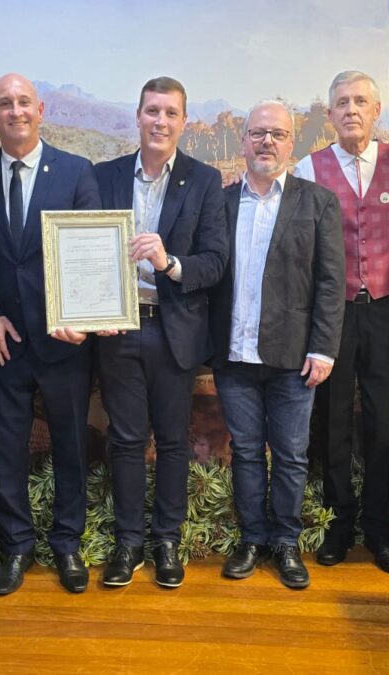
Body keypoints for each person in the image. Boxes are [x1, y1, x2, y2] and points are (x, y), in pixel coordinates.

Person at [0, 73, 101, 596]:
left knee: (70, 445)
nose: (15, 111)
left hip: (64, 342)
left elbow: (90, 253)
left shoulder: (75, 171)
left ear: (41, 109)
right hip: (4, 341)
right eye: (4, 104)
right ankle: (16, 547)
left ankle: (67, 544)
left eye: (23, 102)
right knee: (9, 449)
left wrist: (83, 316)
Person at [93, 77, 229, 588]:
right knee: (125, 441)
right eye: (153, 111)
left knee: (173, 441)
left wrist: (168, 262)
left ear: (183, 122)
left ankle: (167, 541)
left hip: (176, 331)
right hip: (118, 330)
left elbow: (215, 262)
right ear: (138, 116)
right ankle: (128, 543)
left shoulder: (204, 179)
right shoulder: (103, 176)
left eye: (171, 113)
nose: (161, 122)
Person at [211, 101, 345, 590]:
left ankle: (286, 543)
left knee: (290, 455)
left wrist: (324, 348)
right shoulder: (221, 202)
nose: (267, 142)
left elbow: (331, 282)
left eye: (277, 134)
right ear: (244, 141)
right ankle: (253, 540)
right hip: (234, 355)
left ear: (292, 143)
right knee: (245, 452)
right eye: (258, 133)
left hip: (295, 358)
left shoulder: (318, 202)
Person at [293, 71, 389, 574]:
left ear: (377, 109)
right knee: (335, 420)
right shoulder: (309, 167)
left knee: (382, 422)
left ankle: (381, 529)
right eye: (341, 103)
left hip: (385, 308)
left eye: (360, 101)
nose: (351, 110)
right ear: (329, 115)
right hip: (334, 311)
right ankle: (341, 524)